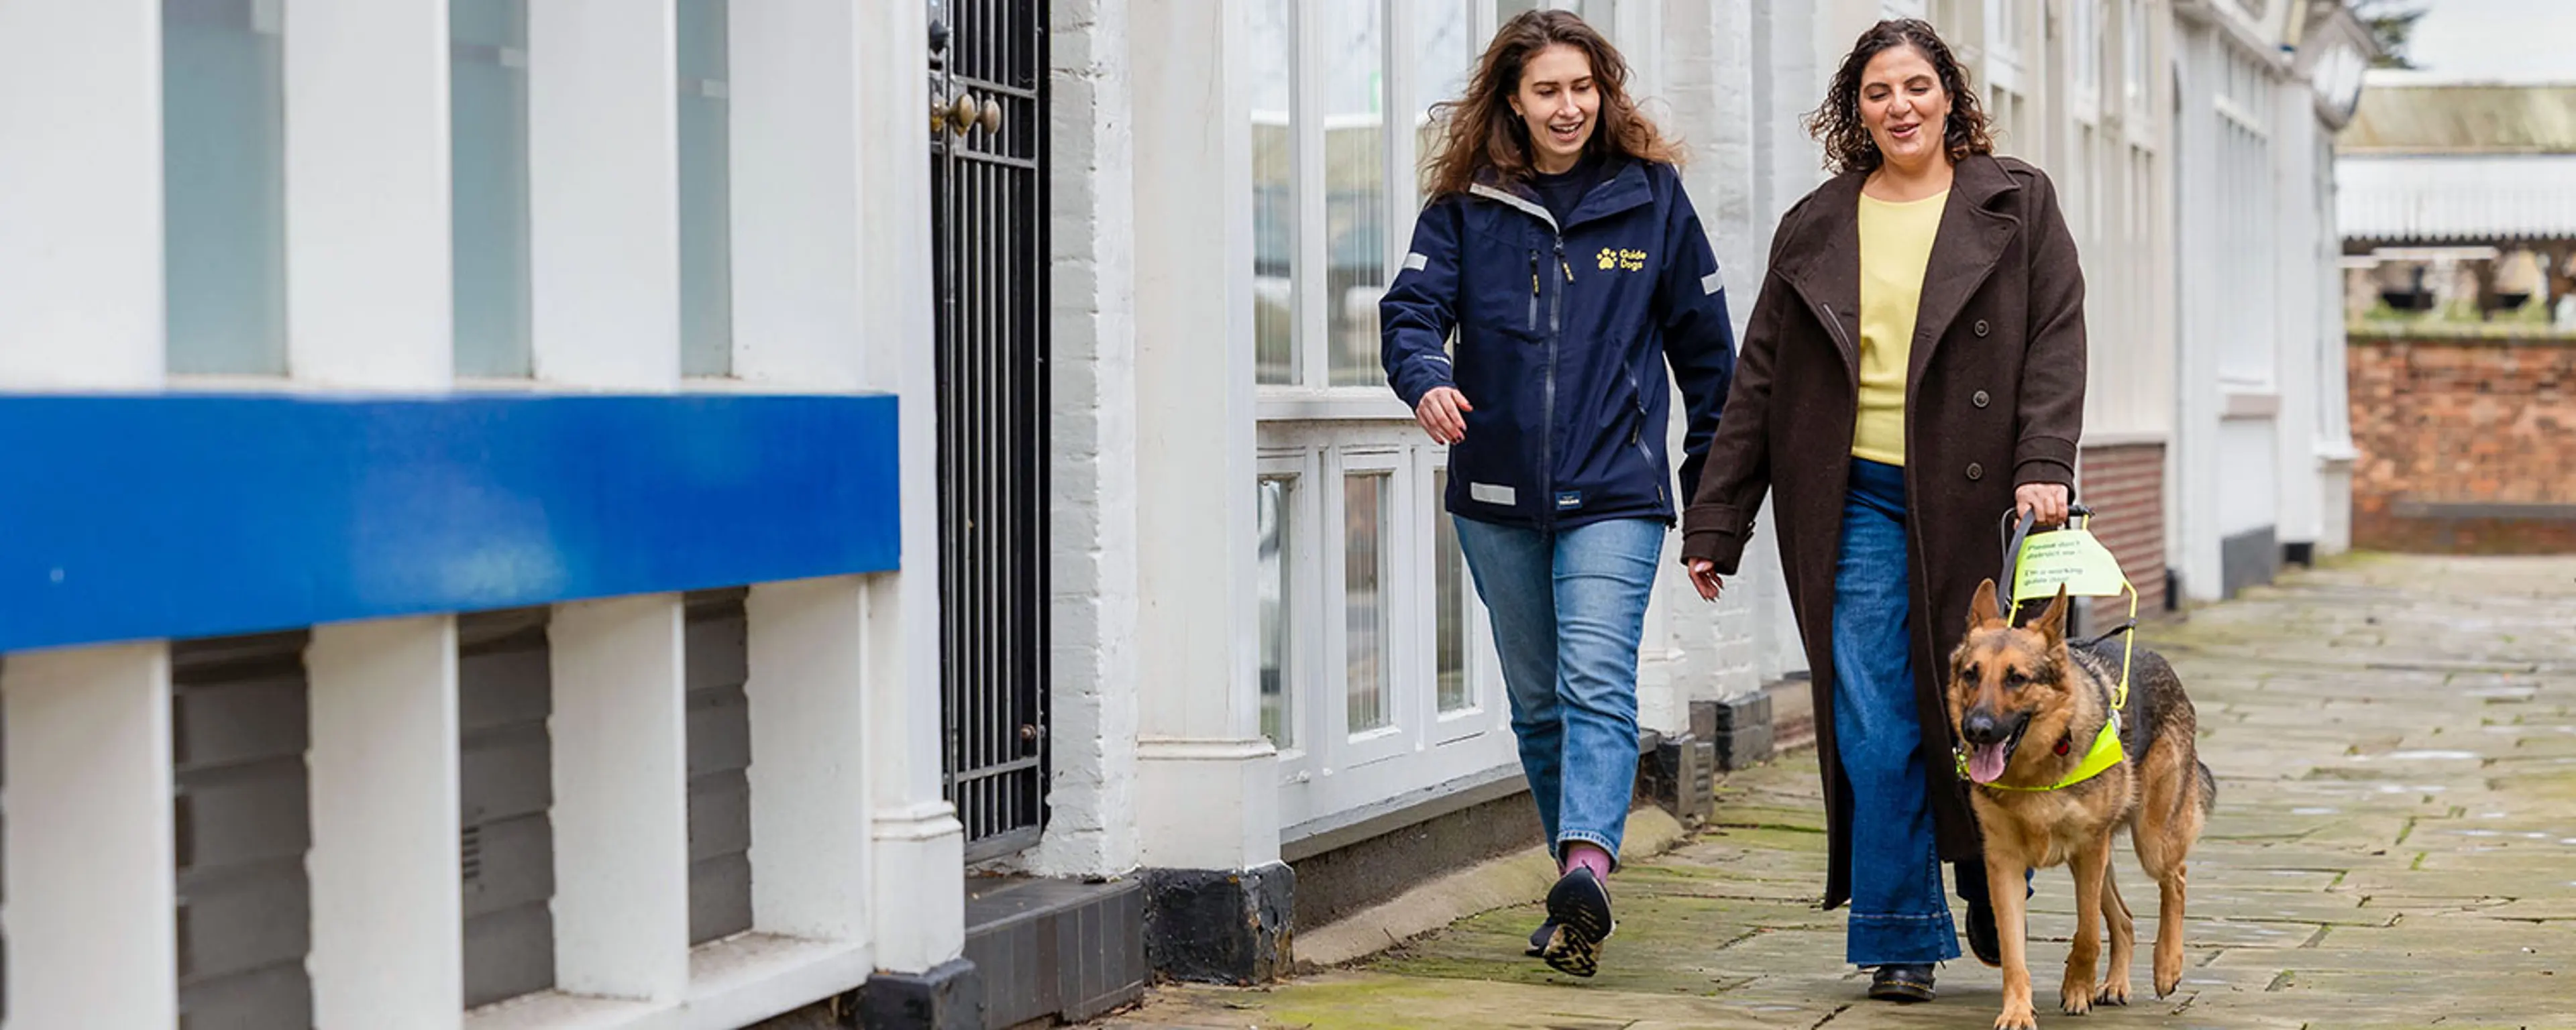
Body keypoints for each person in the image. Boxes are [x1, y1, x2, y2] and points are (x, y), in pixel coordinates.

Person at [1678, 18, 2086, 1005]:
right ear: (1853, 110)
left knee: (1987, 706)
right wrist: (1716, 521)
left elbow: (2055, 337)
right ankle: (1902, 926)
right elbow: (1761, 378)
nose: (1898, 106)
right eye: (1876, 92)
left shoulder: (2015, 200)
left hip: (1977, 497)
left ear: (1949, 93)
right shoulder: (1818, 222)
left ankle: (1994, 880)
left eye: (1915, 85)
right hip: (1850, 494)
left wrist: (2042, 460)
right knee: (1874, 722)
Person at [1379, 9, 1736, 978]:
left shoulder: (1652, 199)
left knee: (1594, 683)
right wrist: (1426, 379)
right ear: (1513, 100)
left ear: (1603, 92)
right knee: (1539, 705)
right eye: (1548, 91)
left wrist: (1712, 507)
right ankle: (1575, 887)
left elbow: (1712, 363)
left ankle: (1589, 864)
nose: (1569, 107)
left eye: (1583, 88)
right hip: (1493, 494)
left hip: (1617, 488)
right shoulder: (1466, 204)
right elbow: (1411, 311)